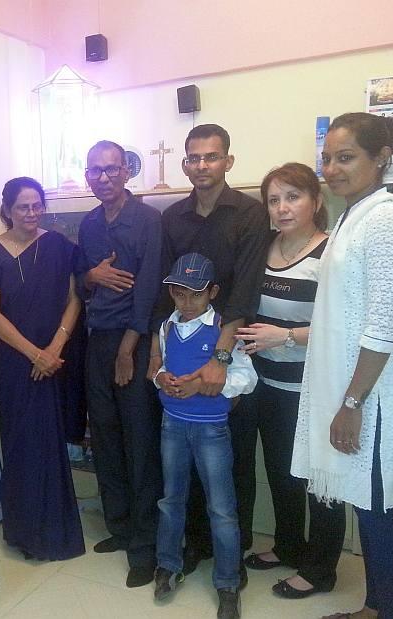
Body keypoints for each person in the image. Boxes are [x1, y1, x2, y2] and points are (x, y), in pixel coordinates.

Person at [291, 113, 393, 619]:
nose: (332, 169)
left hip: (374, 397)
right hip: (357, 391)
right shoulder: (352, 214)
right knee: (369, 509)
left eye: (346, 158)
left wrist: (352, 404)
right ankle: (374, 609)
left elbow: (382, 327)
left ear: (380, 158)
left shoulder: (385, 219)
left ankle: (387, 614)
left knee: (378, 513)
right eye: (327, 158)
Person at [149, 123, 271, 578]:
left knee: (231, 464)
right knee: (182, 471)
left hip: (228, 342)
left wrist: (220, 358)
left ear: (228, 161)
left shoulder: (250, 213)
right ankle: (196, 546)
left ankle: (231, 558)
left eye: (212, 157)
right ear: (185, 163)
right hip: (180, 343)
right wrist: (156, 356)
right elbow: (167, 292)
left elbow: (245, 288)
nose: (202, 166)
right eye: (194, 158)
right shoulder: (173, 217)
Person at [234, 163, 346, 598]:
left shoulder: (331, 253)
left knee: (318, 481)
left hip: (310, 389)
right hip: (264, 384)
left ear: (316, 201)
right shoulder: (264, 247)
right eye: (274, 200)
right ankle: (287, 545)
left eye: (293, 197)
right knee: (281, 472)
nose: (282, 208)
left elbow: (346, 325)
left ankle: (320, 570)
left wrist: (285, 335)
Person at [0, 176, 85, 561]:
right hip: (13, 362)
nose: (31, 213)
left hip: (54, 359)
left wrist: (54, 348)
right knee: (21, 442)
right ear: (7, 209)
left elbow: (75, 298)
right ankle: (24, 533)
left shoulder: (57, 244)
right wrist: (33, 354)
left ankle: (54, 533)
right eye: (23, 206)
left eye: (37, 205)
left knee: (50, 442)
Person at [153, 253, 257, 619]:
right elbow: (163, 367)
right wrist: (160, 378)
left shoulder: (223, 333)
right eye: (179, 294)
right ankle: (168, 564)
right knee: (171, 499)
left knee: (222, 508)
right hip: (172, 425)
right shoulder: (168, 326)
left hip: (210, 429)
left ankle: (227, 583)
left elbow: (246, 377)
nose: (187, 302)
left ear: (212, 292)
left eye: (195, 295)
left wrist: (205, 386)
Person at [78, 140, 163, 587]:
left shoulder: (148, 220)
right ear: (86, 175)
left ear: (127, 171)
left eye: (111, 169)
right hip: (97, 343)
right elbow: (79, 279)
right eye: (95, 170)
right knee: (105, 439)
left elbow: (149, 289)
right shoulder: (89, 223)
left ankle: (145, 547)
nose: (104, 177)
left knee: (140, 443)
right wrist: (90, 276)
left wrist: (130, 350)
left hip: (135, 344)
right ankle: (121, 527)